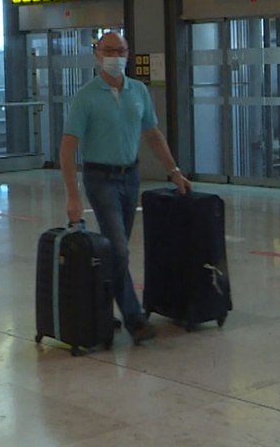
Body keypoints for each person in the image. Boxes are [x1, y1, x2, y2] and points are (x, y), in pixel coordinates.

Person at [60, 31, 192, 344]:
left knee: (116, 253)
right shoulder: (86, 96)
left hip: (130, 177)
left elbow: (153, 134)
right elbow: (67, 147)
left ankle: (103, 309)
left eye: (121, 50)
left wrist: (173, 171)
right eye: (109, 50)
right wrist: (73, 195)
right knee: (118, 247)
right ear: (97, 54)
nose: (116, 56)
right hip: (99, 177)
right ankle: (134, 318)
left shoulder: (139, 92)